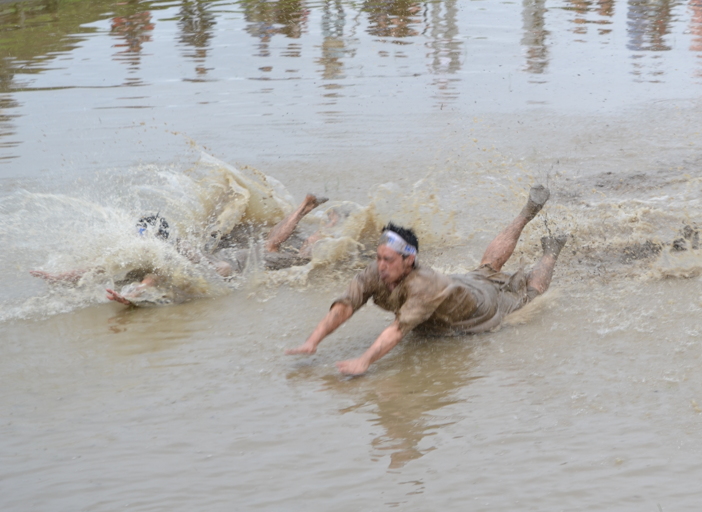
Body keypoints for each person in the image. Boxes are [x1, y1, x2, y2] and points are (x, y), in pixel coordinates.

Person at [286, 185, 568, 376]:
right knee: (487, 266)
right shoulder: (376, 271)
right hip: (458, 284)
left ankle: (551, 251)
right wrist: (313, 341)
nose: (381, 266)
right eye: (379, 257)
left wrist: (364, 360)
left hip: (484, 307)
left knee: (531, 292)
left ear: (409, 260)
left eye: (389, 261)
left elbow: (396, 331)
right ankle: (527, 211)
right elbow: (345, 307)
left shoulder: (423, 286)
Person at [31, 194, 330, 306]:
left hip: (233, 265)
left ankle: (322, 231)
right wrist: (62, 276)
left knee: (301, 259)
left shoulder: (167, 254)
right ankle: (304, 207)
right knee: (269, 245)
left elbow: (156, 277)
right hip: (223, 261)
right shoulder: (160, 248)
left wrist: (132, 296)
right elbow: (105, 265)